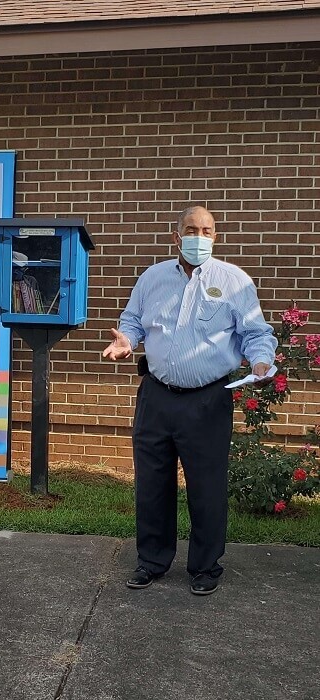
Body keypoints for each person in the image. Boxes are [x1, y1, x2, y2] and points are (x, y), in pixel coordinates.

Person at [102, 206, 277, 596]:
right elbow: (132, 320)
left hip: (207, 401)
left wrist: (262, 361)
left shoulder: (234, 282)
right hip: (156, 398)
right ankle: (151, 561)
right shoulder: (152, 278)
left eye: (207, 231)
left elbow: (256, 333)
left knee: (207, 486)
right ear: (176, 235)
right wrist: (127, 340)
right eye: (192, 230)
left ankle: (204, 566)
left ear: (216, 236)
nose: (200, 237)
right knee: (151, 484)